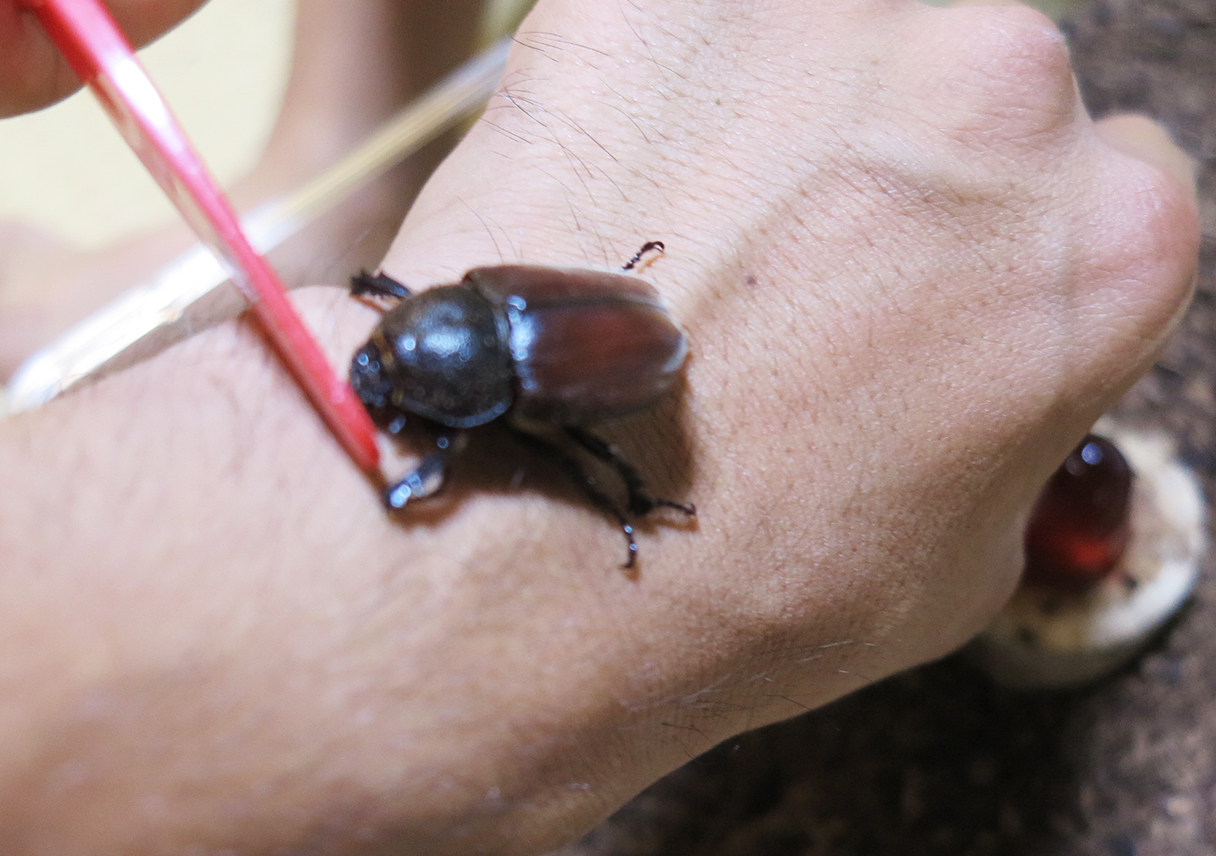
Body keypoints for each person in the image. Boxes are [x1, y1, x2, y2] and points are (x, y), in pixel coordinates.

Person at [0, 0, 1198, 853]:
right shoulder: (463, 322)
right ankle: (322, 171)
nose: (379, 376)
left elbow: (526, 424)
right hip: (546, 316)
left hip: (598, 340)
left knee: (581, 463)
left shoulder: (485, 390)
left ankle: (330, 172)